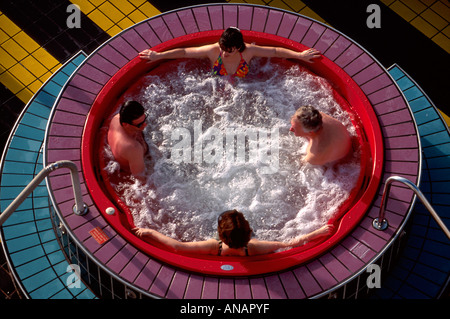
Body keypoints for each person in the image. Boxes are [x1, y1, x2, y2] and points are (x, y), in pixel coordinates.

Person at [132, 209, 334, 256]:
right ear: (249, 233)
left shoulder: (215, 247)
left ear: (221, 236)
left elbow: (178, 247)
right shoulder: (254, 247)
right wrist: (317, 232)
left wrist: (149, 232)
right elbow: (292, 243)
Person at [139, 27, 321, 78]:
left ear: (238, 47)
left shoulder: (248, 51)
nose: (224, 53)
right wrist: (159, 56)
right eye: (223, 48)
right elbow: (186, 52)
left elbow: (274, 51)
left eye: (228, 50)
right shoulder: (213, 51)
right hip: (217, 84)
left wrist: (299, 56)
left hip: (245, 83)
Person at [107, 101, 149, 179]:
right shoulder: (133, 148)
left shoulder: (117, 118)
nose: (145, 125)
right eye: (140, 124)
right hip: (126, 171)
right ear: (125, 124)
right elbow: (141, 178)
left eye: (145, 119)